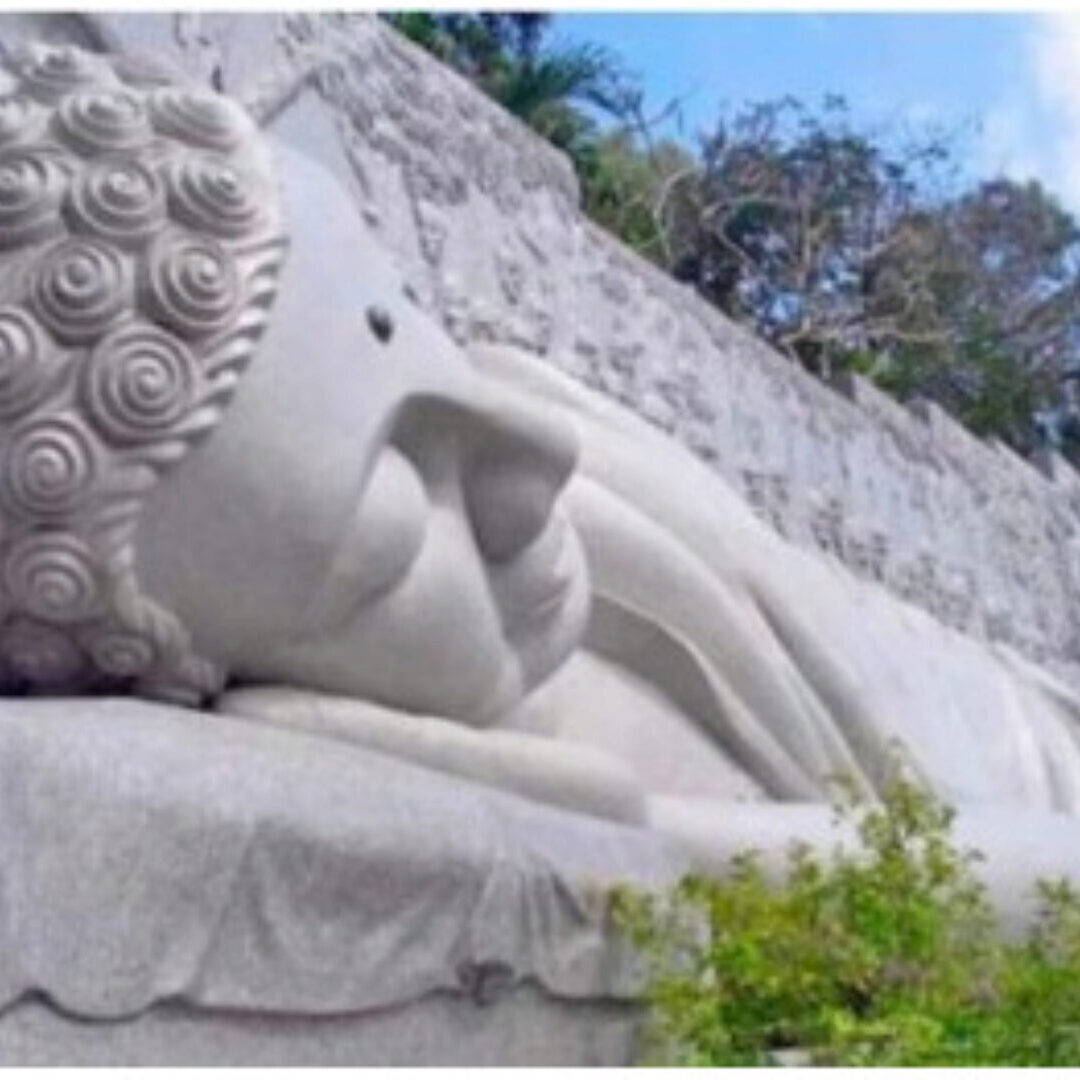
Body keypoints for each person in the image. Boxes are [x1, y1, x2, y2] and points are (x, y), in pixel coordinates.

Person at [4, 42, 1080, 929]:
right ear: (194, 676)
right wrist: (663, 845)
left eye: (399, 314)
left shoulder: (534, 407)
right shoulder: (512, 778)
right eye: (392, 524)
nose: (535, 455)